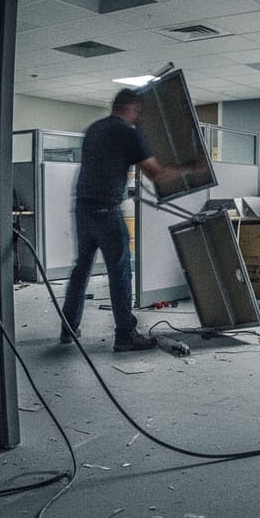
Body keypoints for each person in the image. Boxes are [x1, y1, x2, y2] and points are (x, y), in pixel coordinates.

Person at [59, 88, 201, 352]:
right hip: (107, 212)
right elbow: (156, 174)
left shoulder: (94, 129)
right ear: (131, 108)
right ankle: (125, 335)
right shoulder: (127, 133)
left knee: (81, 268)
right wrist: (191, 167)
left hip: (83, 209)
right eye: (138, 112)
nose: (139, 117)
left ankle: (68, 327)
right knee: (120, 273)